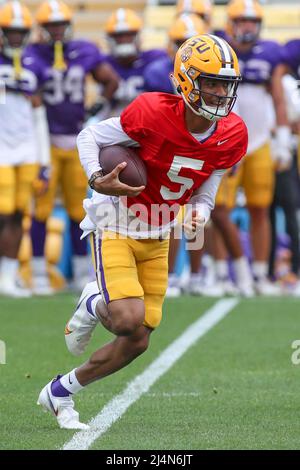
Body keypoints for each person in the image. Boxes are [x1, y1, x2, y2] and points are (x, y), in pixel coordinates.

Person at [37, 34, 248, 429]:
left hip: (161, 231)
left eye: (226, 84)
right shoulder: (153, 112)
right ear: (186, 81)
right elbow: (91, 136)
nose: (221, 93)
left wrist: (200, 211)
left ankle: (61, 392)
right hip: (118, 222)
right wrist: (98, 178)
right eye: (212, 83)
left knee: (138, 339)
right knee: (126, 317)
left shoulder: (232, 134)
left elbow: (209, 184)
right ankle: (91, 304)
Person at [26, 0, 119, 294]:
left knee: (79, 209)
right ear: (42, 29)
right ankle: (39, 272)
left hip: (77, 139)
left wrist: (95, 111)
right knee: (41, 209)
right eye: (51, 26)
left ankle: (82, 273)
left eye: (60, 25)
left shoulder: (83, 51)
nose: (56, 32)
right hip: (46, 142)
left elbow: (110, 80)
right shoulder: (30, 56)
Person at [213, 0, 292, 295]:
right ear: (231, 22)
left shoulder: (269, 52)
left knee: (260, 207)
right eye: (242, 21)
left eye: (252, 22)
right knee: (220, 208)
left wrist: (282, 136)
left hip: (258, 140)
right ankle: (221, 274)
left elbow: (277, 96)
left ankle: (259, 275)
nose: (248, 27)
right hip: (224, 141)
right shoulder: (217, 47)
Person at [0, 1, 50, 297]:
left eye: (21, 32)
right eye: (11, 32)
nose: (16, 37)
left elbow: (39, 114)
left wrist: (44, 160)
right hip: (1, 150)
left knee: (20, 214)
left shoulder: (35, 65)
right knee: (2, 213)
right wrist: (13, 90)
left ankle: (8, 274)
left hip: (28, 149)